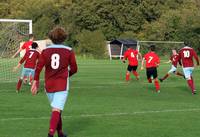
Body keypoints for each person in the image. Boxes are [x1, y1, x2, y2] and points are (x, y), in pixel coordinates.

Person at [31, 27, 78, 137]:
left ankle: (60, 132)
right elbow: (75, 69)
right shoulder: (69, 51)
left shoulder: (45, 51)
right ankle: (50, 134)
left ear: (51, 38)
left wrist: (35, 82)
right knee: (57, 109)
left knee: (56, 110)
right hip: (61, 85)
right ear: (64, 37)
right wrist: (67, 75)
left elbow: (38, 68)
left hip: (49, 85)